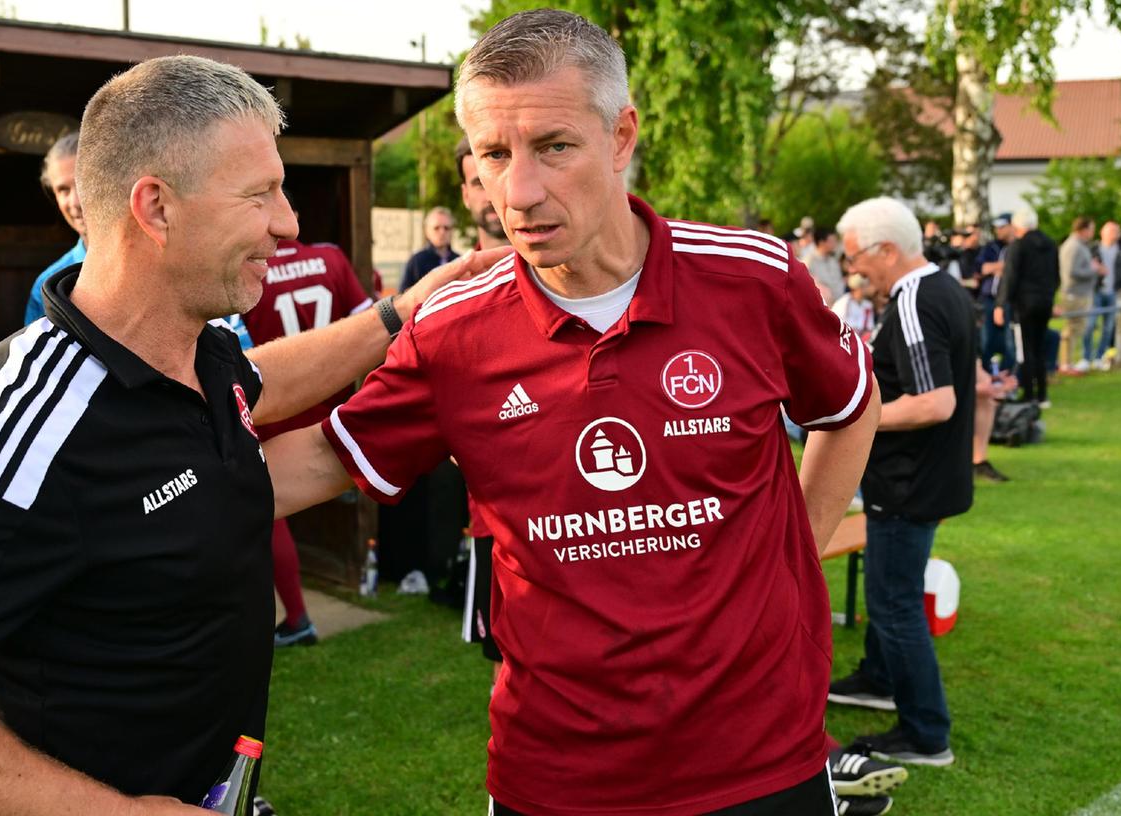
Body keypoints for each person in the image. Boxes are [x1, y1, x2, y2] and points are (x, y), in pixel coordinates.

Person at [0, 55, 504, 814]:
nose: (289, 222)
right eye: (260, 194)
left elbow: (259, 386)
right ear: (156, 208)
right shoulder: (30, 421)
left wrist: (399, 317)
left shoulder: (193, 343)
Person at [266, 11, 882, 813]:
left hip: (762, 759)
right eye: (494, 155)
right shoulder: (455, 330)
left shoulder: (751, 278)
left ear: (621, 136)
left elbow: (849, 405)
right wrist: (121, 495)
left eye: (554, 146)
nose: (517, 193)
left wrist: (792, 555)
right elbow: (316, 461)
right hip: (558, 777)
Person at [828, 197, 976, 769]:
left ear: (886, 249)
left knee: (894, 604)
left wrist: (857, 419)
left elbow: (937, 401)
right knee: (892, 594)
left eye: (857, 258)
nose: (853, 271)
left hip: (908, 481)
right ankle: (878, 677)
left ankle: (925, 733)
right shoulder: (945, 288)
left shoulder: (914, 296)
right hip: (925, 476)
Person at [241, 198, 374, 647]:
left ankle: (295, 616)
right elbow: (372, 329)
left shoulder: (248, 272)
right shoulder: (332, 257)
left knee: (260, 512)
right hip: (330, 405)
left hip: (273, 409)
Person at [455, 135, 511, 674]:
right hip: (496, 521)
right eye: (477, 180)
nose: (491, 192)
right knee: (507, 664)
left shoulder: (571, 269)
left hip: (593, 513)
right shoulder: (448, 291)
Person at [995, 209, 1059, 408]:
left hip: (1024, 304)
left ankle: (1030, 394)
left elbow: (1010, 277)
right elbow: (1056, 275)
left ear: (1017, 226)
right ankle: (1042, 394)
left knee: (1026, 349)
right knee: (1039, 347)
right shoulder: (1050, 244)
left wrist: (1001, 303)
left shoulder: (1018, 246)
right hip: (1045, 301)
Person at [24, 132, 87, 325]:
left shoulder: (155, 257)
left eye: (82, 183)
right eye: (63, 190)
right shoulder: (47, 286)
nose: (74, 202)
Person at [1089, 221, 1121, 369]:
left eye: (1117, 231)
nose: (1115, 234)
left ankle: (1099, 357)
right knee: (1090, 324)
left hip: (1113, 292)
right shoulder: (1093, 249)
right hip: (1096, 292)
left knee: (1108, 327)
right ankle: (1086, 357)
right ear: (1103, 233)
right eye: (1112, 231)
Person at [1059, 215, 1097, 372]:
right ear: (1083, 229)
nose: (1093, 233)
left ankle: (1069, 362)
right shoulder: (1073, 246)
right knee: (1072, 328)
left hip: (1081, 294)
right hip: (1073, 294)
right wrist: (1093, 270)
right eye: (1091, 229)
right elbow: (1071, 271)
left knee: (1077, 328)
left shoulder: (1080, 245)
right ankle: (1065, 363)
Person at [977, 214, 1015, 370]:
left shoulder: (1017, 246)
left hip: (1009, 301)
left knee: (1010, 342)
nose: (998, 230)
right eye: (996, 227)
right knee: (986, 341)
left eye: (1002, 227)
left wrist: (998, 268)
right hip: (989, 300)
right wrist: (1003, 266)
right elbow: (982, 268)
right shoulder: (991, 247)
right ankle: (987, 377)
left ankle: (1008, 377)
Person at [400, 206, 459, 291]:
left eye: (446, 228)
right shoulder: (416, 261)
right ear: (426, 231)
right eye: (436, 228)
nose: (442, 232)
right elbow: (402, 294)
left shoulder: (459, 260)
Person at [808, 227, 846, 301]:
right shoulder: (809, 263)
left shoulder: (833, 261)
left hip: (840, 304)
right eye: (831, 241)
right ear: (822, 243)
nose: (835, 243)